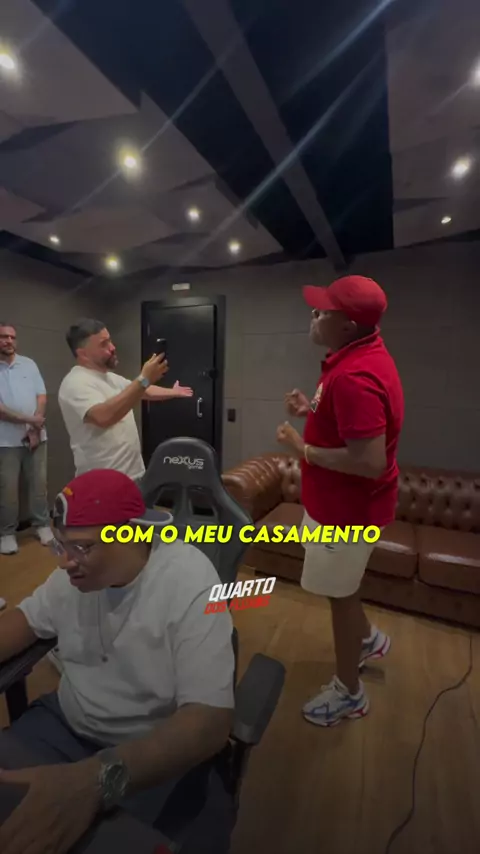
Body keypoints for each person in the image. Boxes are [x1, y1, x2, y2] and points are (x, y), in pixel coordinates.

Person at [0, 469, 235, 854]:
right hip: (65, 727)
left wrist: (96, 781)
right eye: (60, 546)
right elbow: (24, 621)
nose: (65, 562)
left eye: (82, 547)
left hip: (152, 753)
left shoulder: (190, 581)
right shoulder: (73, 579)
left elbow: (209, 722)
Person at [277, 275, 404, 727]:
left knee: (339, 595)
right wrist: (310, 410)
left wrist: (302, 448)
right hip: (337, 506)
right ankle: (367, 639)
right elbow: (345, 422)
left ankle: (350, 693)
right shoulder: (353, 356)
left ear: (347, 324)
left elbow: (368, 461)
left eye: (323, 311)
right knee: (343, 589)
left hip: (345, 515)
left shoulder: (354, 376)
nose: (314, 314)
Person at [58, 318, 193, 482]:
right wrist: (144, 379)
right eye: (103, 344)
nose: (112, 347)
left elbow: (144, 391)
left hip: (133, 476)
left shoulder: (110, 378)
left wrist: (174, 392)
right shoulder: (76, 382)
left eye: (110, 341)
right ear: (83, 354)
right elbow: (103, 417)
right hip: (103, 482)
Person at [0, 322, 53, 556]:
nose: (8, 341)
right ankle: (7, 533)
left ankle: (42, 525)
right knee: (7, 490)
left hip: (36, 437)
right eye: (3, 337)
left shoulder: (28, 364)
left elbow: (41, 395)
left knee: (39, 484)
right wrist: (30, 420)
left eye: (12, 337)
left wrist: (35, 425)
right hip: (5, 442)